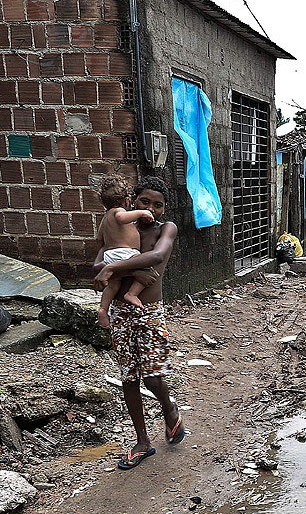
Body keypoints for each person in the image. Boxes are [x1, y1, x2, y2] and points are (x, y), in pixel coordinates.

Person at [92, 176, 182, 470]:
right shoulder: (119, 227)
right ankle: (142, 442)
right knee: (129, 378)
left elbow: (156, 256)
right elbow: (96, 266)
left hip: (149, 311)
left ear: (164, 209)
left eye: (158, 205)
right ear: (132, 201)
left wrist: (116, 268)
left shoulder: (165, 229)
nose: (151, 209)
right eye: (145, 201)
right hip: (120, 311)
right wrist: (133, 272)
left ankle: (169, 410)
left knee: (153, 376)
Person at [95, 175, 155, 328]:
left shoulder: (105, 217)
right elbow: (122, 218)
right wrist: (142, 213)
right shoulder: (118, 212)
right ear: (127, 200)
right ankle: (132, 294)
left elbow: (98, 238)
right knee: (146, 268)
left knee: (113, 285)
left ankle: (103, 309)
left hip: (110, 254)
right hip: (125, 253)